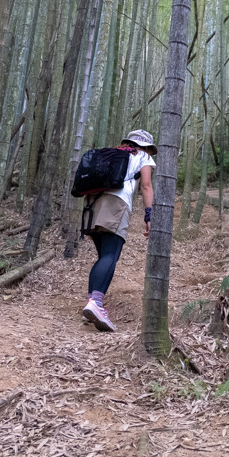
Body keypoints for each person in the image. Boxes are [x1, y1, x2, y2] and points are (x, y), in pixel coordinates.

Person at [82, 129, 156, 331]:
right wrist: (149, 216)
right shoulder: (143, 157)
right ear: (147, 147)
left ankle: (93, 303)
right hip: (117, 203)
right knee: (110, 256)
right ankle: (95, 304)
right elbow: (146, 186)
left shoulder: (111, 153)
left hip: (91, 203)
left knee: (103, 256)